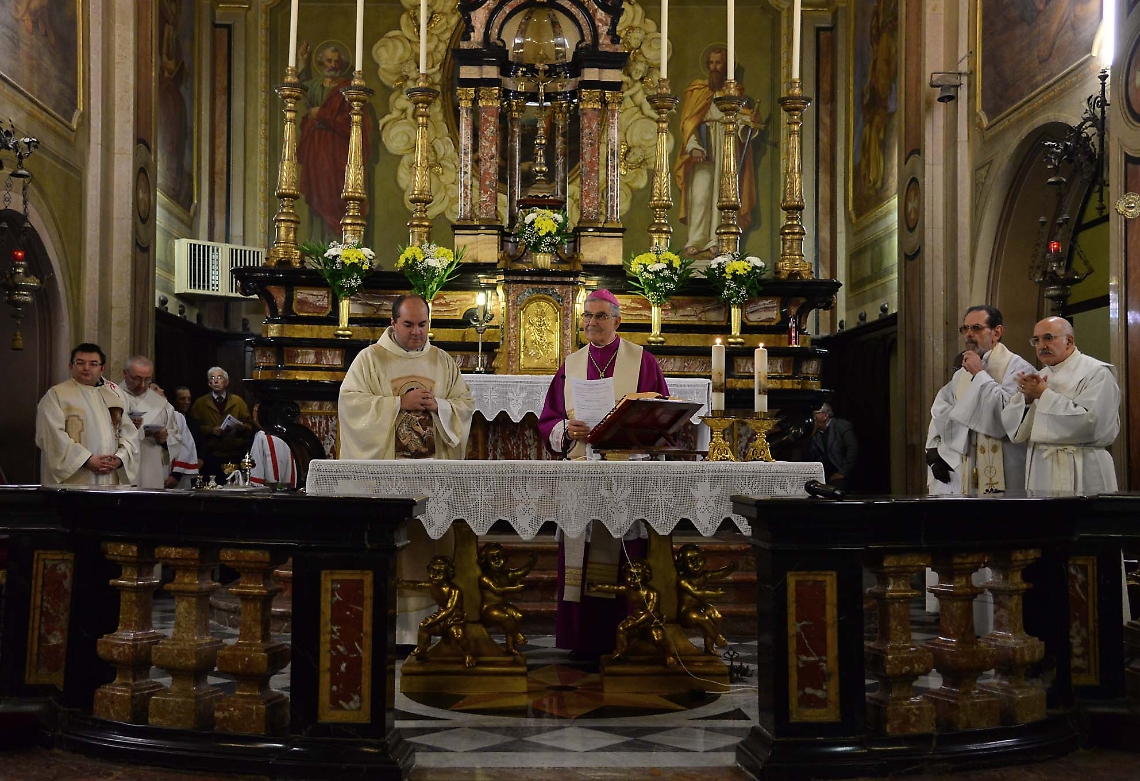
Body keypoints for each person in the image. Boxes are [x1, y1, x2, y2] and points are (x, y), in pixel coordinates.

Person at [536, 289, 670, 657]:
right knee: (582, 553)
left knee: (628, 554)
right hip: (582, 472)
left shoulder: (643, 361)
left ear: (617, 321)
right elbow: (549, 419)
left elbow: (662, 414)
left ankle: (627, 635)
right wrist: (567, 429)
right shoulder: (571, 363)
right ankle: (583, 641)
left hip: (626, 475)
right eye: (587, 316)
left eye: (599, 316)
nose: (591, 323)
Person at [339, 293, 475, 645]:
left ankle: (433, 623)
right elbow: (351, 404)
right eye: (409, 324)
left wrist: (440, 406)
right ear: (393, 323)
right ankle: (392, 630)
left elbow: (464, 405)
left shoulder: (443, 362)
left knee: (432, 550)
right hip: (389, 479)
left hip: (433, 478)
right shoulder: (369, 360)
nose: (417, 332)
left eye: (423, 324)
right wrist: (399, 403)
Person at [1002, 316, 1121, 493]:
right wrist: (1025, 401)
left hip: (1083, 466)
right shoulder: (1041, 375)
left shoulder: (1097, 373)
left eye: (1048, 338)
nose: (1041, 345)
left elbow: (1092, 423)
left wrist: (1043, 395)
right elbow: (1015, 428)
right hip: (1042, 468)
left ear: (1069, 341)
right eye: (1036, 340)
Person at [926, 305, 1034, 495]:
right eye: (965, 329)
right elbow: (943, 413)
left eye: (976, 328)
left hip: (1006, 468)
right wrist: (937, 452)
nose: (968, 334)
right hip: (968, 468)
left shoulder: (1018, 368)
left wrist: (979, 374)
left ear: (997, 332)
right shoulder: (961, 374)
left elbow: (1007, 419)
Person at [673, 44, 761, 258]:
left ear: (726, 66)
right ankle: (696, 240)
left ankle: (717, 240)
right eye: (711, 63)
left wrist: (747, 124)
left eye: (718, 63)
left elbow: (741, 122)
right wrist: (693, 147)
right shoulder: (697, 90)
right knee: (701, 195)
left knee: (723, 194)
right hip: (702, 147)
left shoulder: (735, 94)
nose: (714, 67)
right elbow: (687, 122)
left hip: (726, 145)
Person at [296, 40, 370, 243]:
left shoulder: (348, 90)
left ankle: (339, 244)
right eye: (329, 61)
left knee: (336, 197)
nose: (333, 65)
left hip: (338, 153)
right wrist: (303, 62)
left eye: (337, 61)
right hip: (317, 152)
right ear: (321, 63)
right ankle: (316, 245)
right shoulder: (315, 86)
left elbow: (352, 122)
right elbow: (300, 90)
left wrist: (322, 114)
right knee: (317, 197)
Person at [35, 343, 139, 486]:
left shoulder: (115, 396)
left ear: (102, 369)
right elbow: (51, 436)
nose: (86, 368)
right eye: (80, 363)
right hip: (74, 479)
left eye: (93, 364)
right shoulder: (57, 395)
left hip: (109, 478)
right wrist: (86, 460)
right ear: (71, 366)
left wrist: (120, 459)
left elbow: (129, 434)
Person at [119, 356, 182, 489]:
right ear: (125, 373)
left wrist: (164, 439)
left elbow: (175, 436)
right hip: (122, 467)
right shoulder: (113, 396)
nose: (142, 384)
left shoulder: (160, 403)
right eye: (137, 378)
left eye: (147, 379)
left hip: (151, 468)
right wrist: (125, 427)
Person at [189, 367, 254, 483]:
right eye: (212, 378)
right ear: (209, 383)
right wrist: (210, 430)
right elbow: (193, 429)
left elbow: (249, 427)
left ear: (226, 382)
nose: (215, 381)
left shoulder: (238, 402)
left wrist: (241, 427)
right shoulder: (200, 403)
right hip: (210, 456)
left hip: (234, 455)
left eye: (219, 377)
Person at [806, 403, 858, 491]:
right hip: (822, 476)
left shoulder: (842, 426)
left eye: (815, 414)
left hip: (841, 473)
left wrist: (842, 473)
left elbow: (853, 450)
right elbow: (810, 455)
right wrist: (810, 436)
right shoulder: (815, 432)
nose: (813, 417)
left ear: (825, 415)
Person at [168, 386, 201, 488]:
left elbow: (189, 446)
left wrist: (177, 474)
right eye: (182, 399)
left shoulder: (190, 421)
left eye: (189, 399)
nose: (186, 402)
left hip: (180, 472)